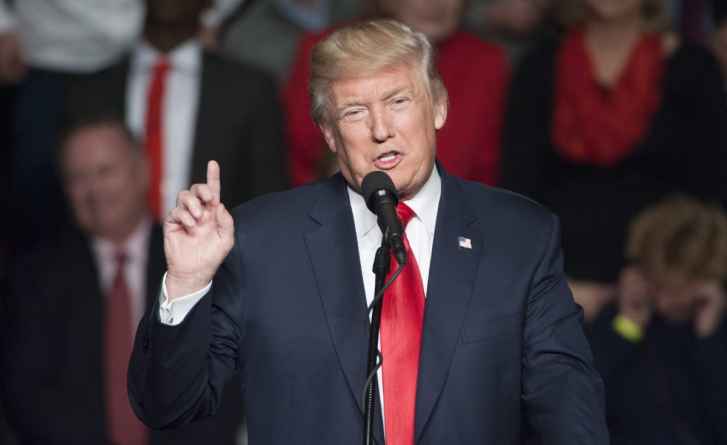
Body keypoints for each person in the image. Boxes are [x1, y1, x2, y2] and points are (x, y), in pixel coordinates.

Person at [128, 19, 608, 444]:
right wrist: (188, 284)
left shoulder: (519, 236)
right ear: (330, 134)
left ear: (438, 106)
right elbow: (168, 406)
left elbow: (565, 396)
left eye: (399, 101)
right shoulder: (260, 241)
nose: (382, 129)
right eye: (355, 112)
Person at [3, 117, 243, 444]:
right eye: (78, 178)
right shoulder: (34, 277)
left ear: (142, 172)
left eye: (105, 172)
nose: (94, 190)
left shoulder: (195, 258)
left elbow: (224, 384)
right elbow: (25, 396)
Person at [500, 0, 727, 319]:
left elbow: (709, 197)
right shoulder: (538, 67)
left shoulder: (693, 68)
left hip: (665, 294)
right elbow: (516, 196)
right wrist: (552, 288)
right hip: (556, 293)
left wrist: (675, 281)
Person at [66, 0, 287, 220]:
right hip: (115, 252)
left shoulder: (250, 90)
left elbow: (268, 199)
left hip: (223, 250)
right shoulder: (91, 92)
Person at [283, 0, 510, 187]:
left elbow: (489, 166)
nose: (436, 4)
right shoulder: (329, 53)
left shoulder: (486, 62)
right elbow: (298, 158)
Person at [587, 195, 727, 444]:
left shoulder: (715, 332)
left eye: (675, 290)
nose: (662, 302)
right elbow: (579, 408)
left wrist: (709, 340)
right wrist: (626, 328)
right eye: (657, 284)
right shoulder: (621, 319)